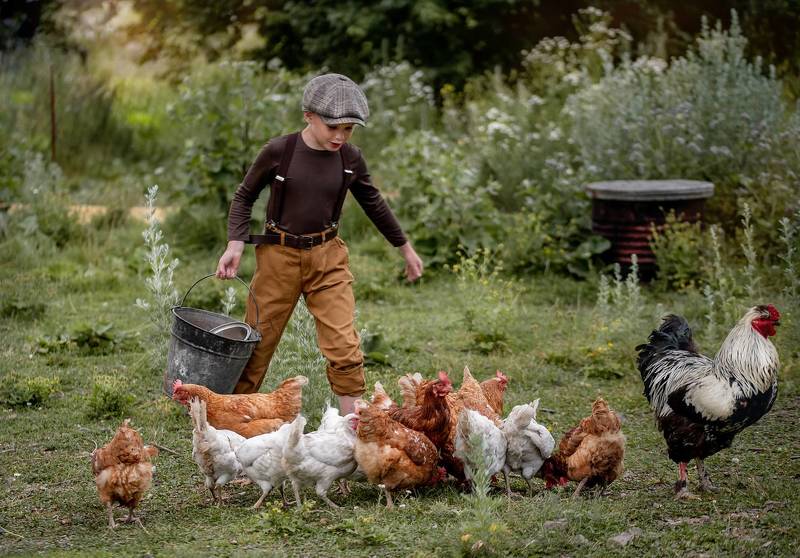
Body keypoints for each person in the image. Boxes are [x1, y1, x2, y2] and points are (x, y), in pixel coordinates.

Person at [215, 73, 423, 414]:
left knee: (344, 346)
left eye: (348, 129)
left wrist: (406, 249)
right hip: (278, 258)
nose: (340, 136)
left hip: (328, 259)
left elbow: (374, 203)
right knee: (256, 344)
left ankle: (353, 428)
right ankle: (229, 419)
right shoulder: (280, 151)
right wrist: (235, 243)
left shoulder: (350, 159)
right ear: (308, 116)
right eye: (332, 127)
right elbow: (244, 196)